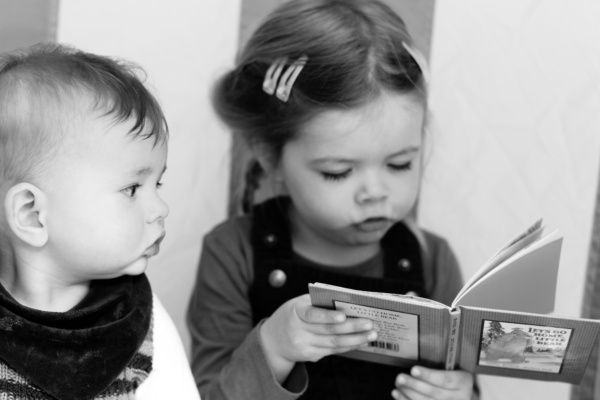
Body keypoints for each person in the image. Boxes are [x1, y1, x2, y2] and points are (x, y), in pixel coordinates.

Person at [187, 0, 476, 399]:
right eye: (338, 172)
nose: (376, 192)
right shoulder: (233, 254)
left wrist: (461, 394)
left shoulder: (433, 260)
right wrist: (272, 347)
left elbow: (461, 382)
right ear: (271, 157)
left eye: (399, 164)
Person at [0, 43, 199, 400]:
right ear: (32, 214)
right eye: (132, 188)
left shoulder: (139, 322)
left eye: (159, 183)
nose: (161, 208)